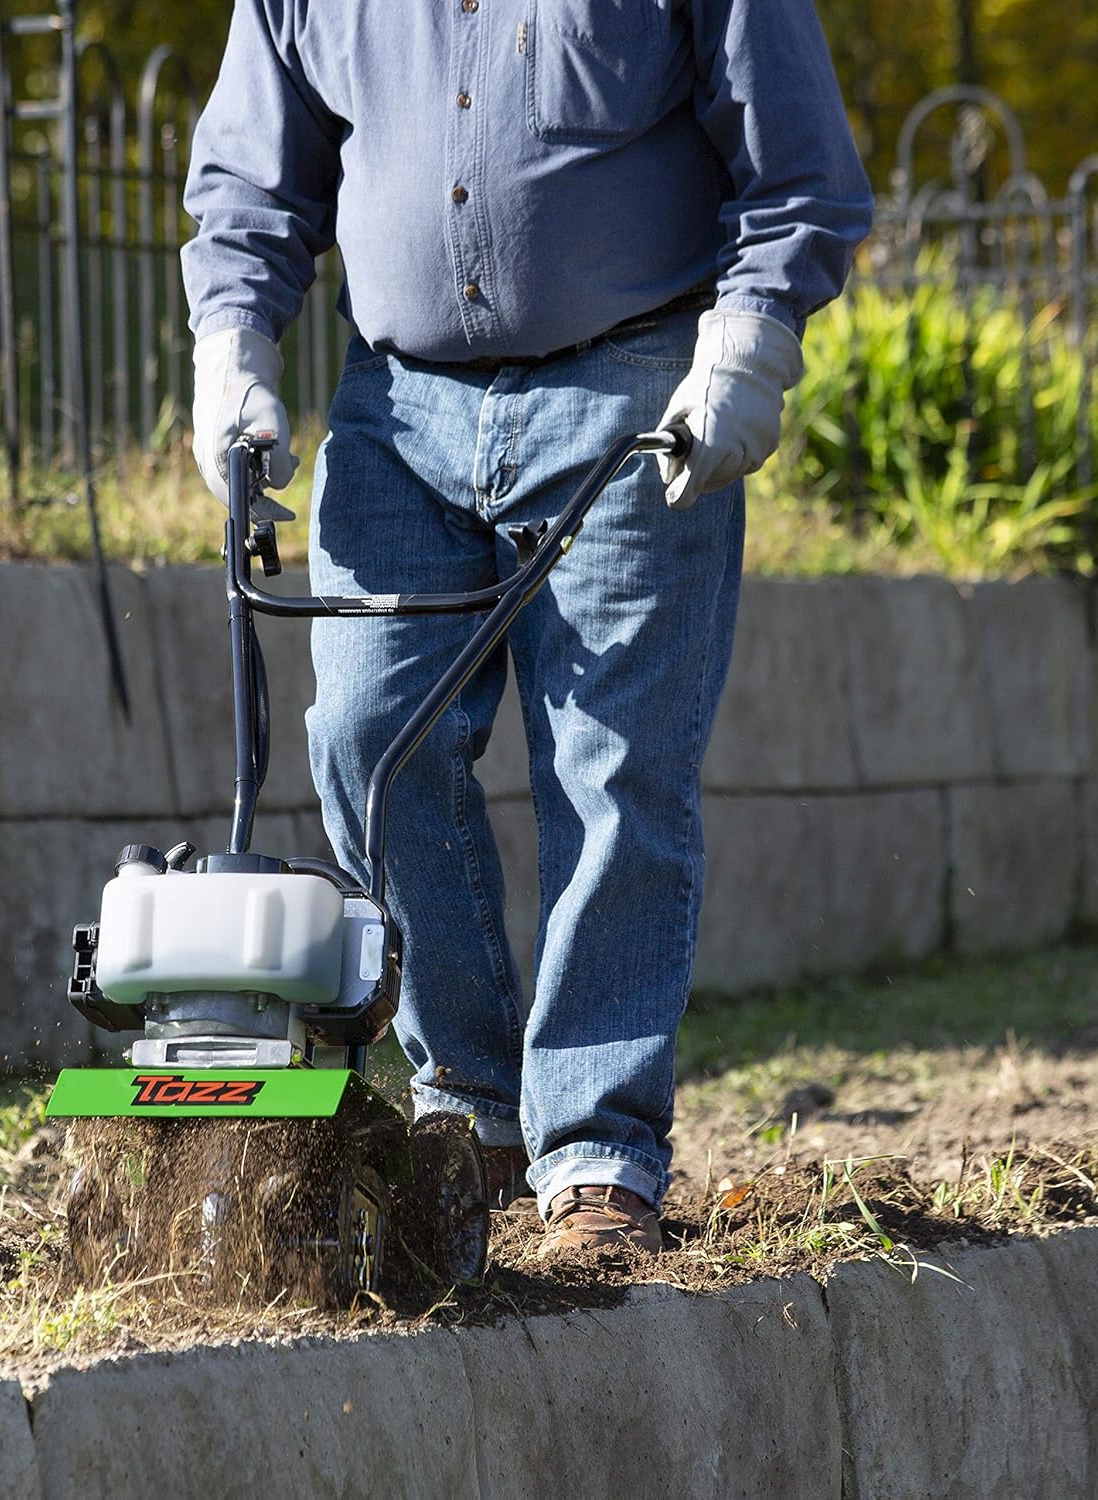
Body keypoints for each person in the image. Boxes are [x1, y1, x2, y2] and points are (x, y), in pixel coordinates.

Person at [181, 0, 872, 1256]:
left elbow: (798, 172)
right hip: (396, 411)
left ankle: (598, 1153)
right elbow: (251, 181)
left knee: (613, 767)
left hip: (632, 387)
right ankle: (472, 1114)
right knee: (367, 738)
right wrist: (231, 346)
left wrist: (751, 341)